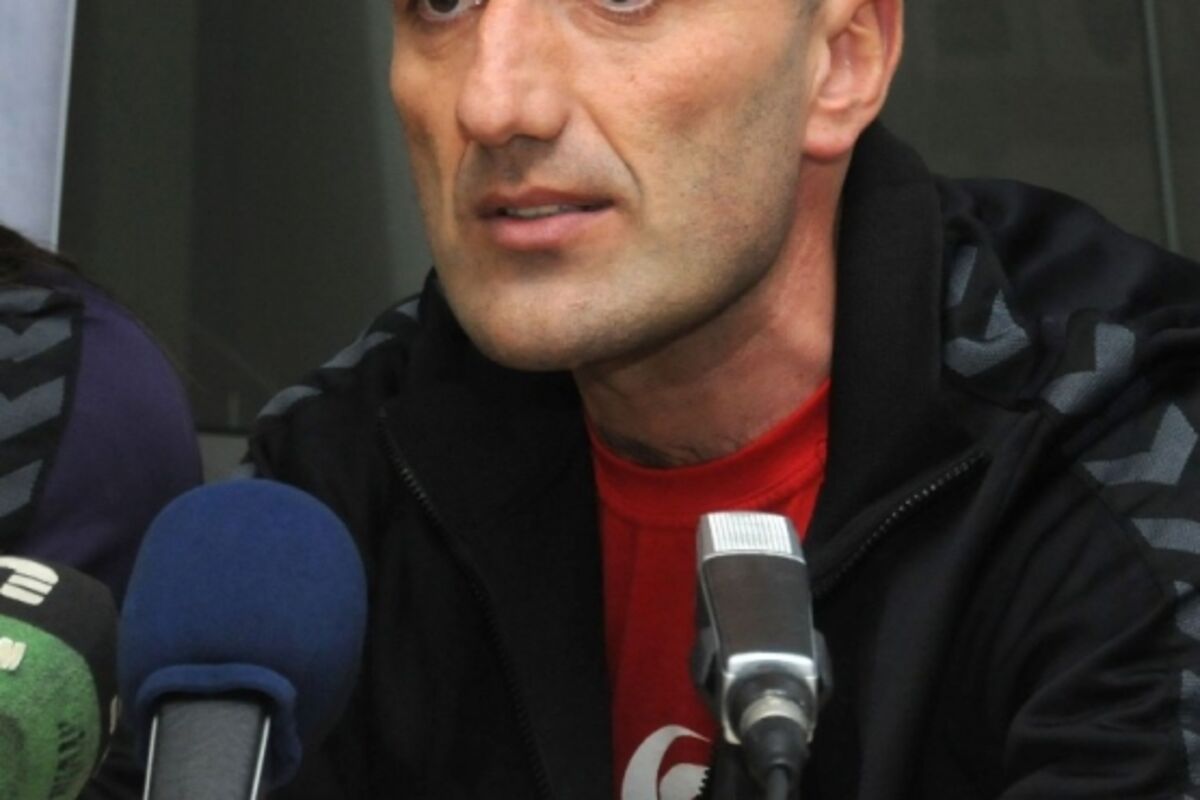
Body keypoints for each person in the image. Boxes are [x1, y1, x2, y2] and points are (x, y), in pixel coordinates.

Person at [243, 0, 1199, 797]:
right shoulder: (334, 487)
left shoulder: (1132, 462)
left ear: (841, 60)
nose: (492, 103)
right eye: (442, 3)